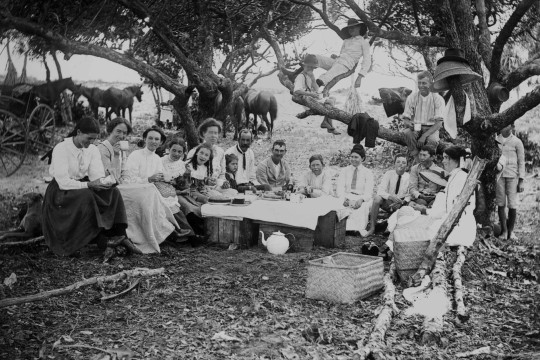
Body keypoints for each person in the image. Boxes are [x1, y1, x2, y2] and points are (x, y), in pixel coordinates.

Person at [42, 116, 129, 256]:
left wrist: (107, 181)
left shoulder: (92, 149)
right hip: (60, 192)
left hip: (83, 186)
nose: (92, 142)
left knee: (114, 192)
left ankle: (122, 235)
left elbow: (96, 176)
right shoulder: (61, 149)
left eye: (94, 139)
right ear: (78, 132)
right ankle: (99, 239)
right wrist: (89, 184)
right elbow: (63, 182)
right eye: (89, 138)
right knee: (86, 196)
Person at [122, 127, 196, 250]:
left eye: (157, 139)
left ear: (161, 142)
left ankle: (177, 232)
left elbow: (160, 177)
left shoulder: (156, 158)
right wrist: (148, 179)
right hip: (134, 190)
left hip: (151, 190)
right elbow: (127, 180)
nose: (153, 141)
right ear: (145, 139)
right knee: (158, 199)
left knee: (170, 200)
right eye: (150, 138)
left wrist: (169, 183)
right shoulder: (136, 155)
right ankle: (173, 232)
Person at [312, 19, 371, 93]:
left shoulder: (364, 42)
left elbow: (367, 60)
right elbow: (342, 54)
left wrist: (360, 77)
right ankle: (302, 79)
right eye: (349, 28)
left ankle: (310, 90)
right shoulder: (346, 41)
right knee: (314, 58)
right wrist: (336, 57)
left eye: (353, 27)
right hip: (337, 61)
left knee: (327, 76)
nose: (351, 29)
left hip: (346, 65)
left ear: (359, 28)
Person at [401, 71, 445, 158]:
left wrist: (424, 136)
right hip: (417, 126)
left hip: (432, 127)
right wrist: (409, 124)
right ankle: (416, 157)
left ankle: (428, 160)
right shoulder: (412, 97)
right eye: (419, 83)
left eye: (424, 83)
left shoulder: (437, 99)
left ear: (431, 83)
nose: (421, 86)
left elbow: (439, 124)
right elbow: (406, 118)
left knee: (432, 141)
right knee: (407, 133)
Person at [293, 55, 340, 135]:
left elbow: (316, 89)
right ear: (304, 65)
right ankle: (328, 124)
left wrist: (313, 78)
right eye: (309, 67)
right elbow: (296, 90)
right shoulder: (301, 76)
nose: (311, 69)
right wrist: (311, 94)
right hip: (307, 101)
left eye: (313, 68)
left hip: (312, 98)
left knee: (333, 98)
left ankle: (326, 122)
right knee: (330, 102)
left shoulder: (309, 76)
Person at [365, 154, 410, 236]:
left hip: (400, 204)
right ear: (394, 164)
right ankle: (372, 228)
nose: (401, 164)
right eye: (398, 162)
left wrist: (403, 201)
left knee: (408, 207)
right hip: (388, 201)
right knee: (377, 199)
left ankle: (391, 230)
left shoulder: (409, 177)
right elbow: (380, 190)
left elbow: (410, 194)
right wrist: (390, 197)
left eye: (404, 162)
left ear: (407, 165)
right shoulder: (389, 174)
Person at [336, 144, 374, 235]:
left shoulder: (368, 173)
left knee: (362, 208)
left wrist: (361, 200)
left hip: (361, 197)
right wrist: (343, 198)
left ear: (362, 158)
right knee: (340, 206)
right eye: (352, 157)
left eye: (356, 157)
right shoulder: (344, 171)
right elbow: (340, 188)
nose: (353, 159)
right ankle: (342, 228)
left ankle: (355, 229)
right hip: (347, 196)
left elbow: (369, 192)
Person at [496, 124, 525, 240]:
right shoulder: (496, 139)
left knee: (512, 204)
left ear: (512, 127)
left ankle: (511, 232)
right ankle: (504, 231)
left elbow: (521, 162)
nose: (504, 127)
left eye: (507, 125)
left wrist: (521, 180)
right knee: (500, 203)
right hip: (499, 176)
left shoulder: (517, 142)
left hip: (512, 176)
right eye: (502, 124)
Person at [186, 118, 227, 186]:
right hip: (198, 187)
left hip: (217, 187)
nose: (213, 136)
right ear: (203, 133)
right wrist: (205, 181)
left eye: (216, 133)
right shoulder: (194, 152)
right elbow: (189, 175)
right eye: (210, 132)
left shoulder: (220, 152)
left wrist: (223, 183)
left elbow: (222, 175)